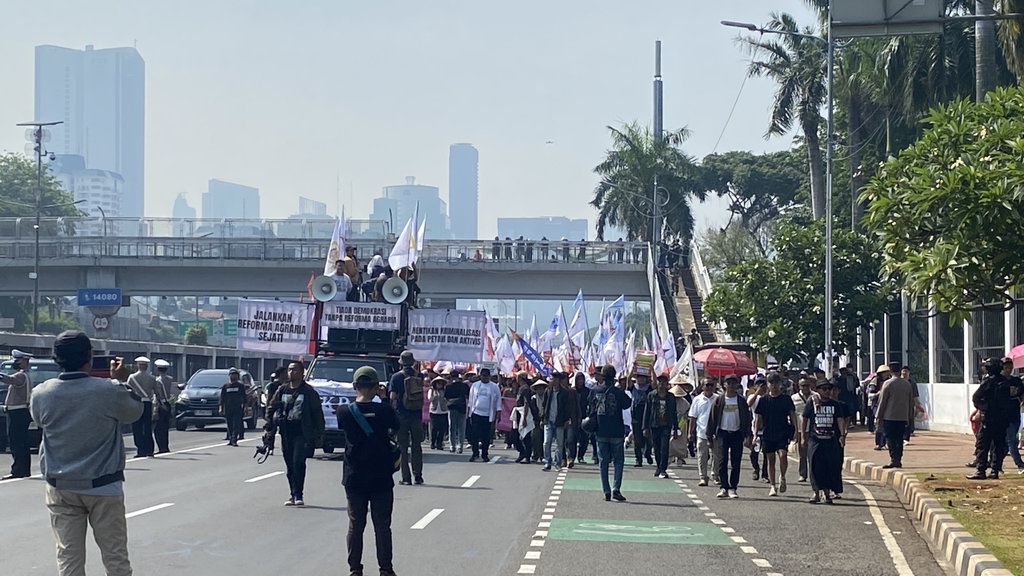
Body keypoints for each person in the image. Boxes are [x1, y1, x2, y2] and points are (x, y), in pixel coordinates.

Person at [31, 330, 143, 576]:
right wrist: (124, 381)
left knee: (69, 560)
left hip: (61, 487)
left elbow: (39, 421)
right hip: (104, 487)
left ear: (56, 359)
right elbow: (135, 412)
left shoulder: (41, 393)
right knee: (115, 559)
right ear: (89, 357)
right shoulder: (108, 390)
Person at [336, 366, 400, 576]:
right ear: (376, 387)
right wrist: (382, 398)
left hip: (354, 476)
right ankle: (386, 569)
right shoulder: (384, 410)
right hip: (381, 476)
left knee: (356, 524)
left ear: (355, 386)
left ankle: (355, 569)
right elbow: (395, 424)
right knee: (382, 525)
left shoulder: (344, 412)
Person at [266, 361, 325, 505]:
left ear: (302, 372)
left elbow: (317, 413)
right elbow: (270, 408)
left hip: (302, 432)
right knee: (290, 466)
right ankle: (292, 494)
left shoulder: (309, 392)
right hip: (286, 432)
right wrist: (269, 426)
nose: (292, 373)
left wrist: (319, 435)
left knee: (298, 462)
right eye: (290, 370)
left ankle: (299, 494)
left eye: (295, 370)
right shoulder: (282, 390)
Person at [967, 357, 1019, 480]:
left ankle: (981, 470)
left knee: (983, 445)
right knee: (998, 445)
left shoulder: (989, 382)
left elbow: (976, 397)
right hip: (1001, 419)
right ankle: (994, 470)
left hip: (990, 419)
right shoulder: (1006, 383)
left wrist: (985, 408)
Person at [587, 364, 631, 501]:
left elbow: (590, 407)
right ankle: (616, 488)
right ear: (614, 377)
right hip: (617, 430)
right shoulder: (618, 392)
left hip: (600, 430)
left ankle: (606, 489)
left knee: (603, 462)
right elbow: (627, 404)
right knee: (618, 461)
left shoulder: (595, 390)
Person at [802, 380, 848, 504]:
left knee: (829, 467)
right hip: (815, 440)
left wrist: (843, 435)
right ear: (818, 390)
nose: (827, 391)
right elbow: (805, 419)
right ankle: (816, 493)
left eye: (829, 389)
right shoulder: (811, 403)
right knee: (815, 466)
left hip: (831, 441)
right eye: (824, 389)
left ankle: (827, 494)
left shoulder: (835, 405)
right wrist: (803, 436)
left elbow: (840, 420)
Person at [754, 372, 798, 496]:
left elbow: (792, 415)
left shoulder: (786, 399)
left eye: (776, 383)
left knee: (783, 455)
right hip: (768, 432)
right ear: (768, 385)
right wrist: (755, 434)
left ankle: (782, 476)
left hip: (783, 431)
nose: (774, 385)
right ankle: (773, 485)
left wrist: (796, 431)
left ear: (780, 384)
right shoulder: (763, 400)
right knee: (770, 459)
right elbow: (758, 417)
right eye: (771, 383)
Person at [707, 375, 751, 498]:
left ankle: (733, 487)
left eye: (734, 383)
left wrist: (748, 435)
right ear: (724, 385)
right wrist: (709, 437)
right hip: (722, 433)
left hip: (737, 434)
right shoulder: (719, 400)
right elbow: (712, 419)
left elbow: (747, 419)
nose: (731, 386)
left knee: (736, 462)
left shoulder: (741, 401)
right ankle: (724, 487)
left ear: (737, 385)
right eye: (729, 383)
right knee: (722, 461)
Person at [389, 351, 425, 484]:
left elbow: (392, 396)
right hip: (416, 414)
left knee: (403, 447)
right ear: (413, 362)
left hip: (402, 415)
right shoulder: (419, 375)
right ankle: (418, 475)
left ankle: (406, 478)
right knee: (417, 446)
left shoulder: (396, 377)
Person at [874, 363, 915, 469]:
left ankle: (893, 459)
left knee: (890, 438)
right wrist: (910, 416)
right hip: (902, 417)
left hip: (889, 416)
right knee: (899, 439)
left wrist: (879, 416)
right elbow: (911, 402)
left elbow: (882, 401)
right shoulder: (907, 384)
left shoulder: (888, 383)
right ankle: (898, 459)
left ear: (890, 372)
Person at [1, 349, 34, 479]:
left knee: (16, 442)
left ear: (24, 361)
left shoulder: (21, 376)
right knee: (22, 442)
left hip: (17, 412)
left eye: (17, 360)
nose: (15, 363)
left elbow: (10, 380)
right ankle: (24, 470)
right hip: (20, 411)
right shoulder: (25, 375)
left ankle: (18, 470)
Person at [643, 374, 679, 479]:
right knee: (656, 447)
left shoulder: (671, 397)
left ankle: (663, 469)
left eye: (664, 382)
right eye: (660, 382)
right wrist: (645, 427)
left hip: (666, 426)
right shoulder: (651, 395)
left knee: (664, 447)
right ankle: (658, 467)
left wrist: (676, 428)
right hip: (654, 425)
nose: (662, 384)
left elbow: (674, 413)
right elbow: (647, 411)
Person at [540, 371, 573, 471]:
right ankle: (547, 462)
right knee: (547, 442)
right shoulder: (548, 391)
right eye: (552, 379)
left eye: (555, 379)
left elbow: (567, 408)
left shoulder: (564, 393)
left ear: (559, 380)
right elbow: (544, 405)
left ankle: (557, 463)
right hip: (549, 420)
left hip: (560, 421)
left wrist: (567, 420)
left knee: (559, 443)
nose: (553, 381)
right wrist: (542, 418)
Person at [688, 378, 718, 486]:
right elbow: (693, 417)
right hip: (701, 432)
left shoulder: (718, 398)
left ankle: (715, 475)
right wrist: (690, 432)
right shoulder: (697, 399)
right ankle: (703, 477)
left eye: (711, 385)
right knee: (702, 456)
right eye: (707, 385)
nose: (709, 387)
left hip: (716, 432)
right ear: (702, 386)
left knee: (717, 455)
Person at [467, 367, 502, 462]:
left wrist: (498, 412)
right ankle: (475, 453)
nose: (485, 378)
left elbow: (498, 400)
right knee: (474, 435)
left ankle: (484, 454)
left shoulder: (494, 387)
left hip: (488, 414)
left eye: (486, 376)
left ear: (489, 377)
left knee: (485, 436)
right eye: (483, 376)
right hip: (476, 412)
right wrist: (469, 412)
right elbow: (471, 400)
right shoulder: (475, 385)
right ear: (480, 376)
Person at [127, 356, 157, 458]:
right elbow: (157, 393)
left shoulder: (132, 377)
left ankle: (140, 450)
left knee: (137, 427)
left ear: (138, 365)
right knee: (147, 427)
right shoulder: (152, 378)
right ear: (147, 366)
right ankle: (149, 450)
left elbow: (128, 391)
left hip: (136, 403)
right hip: (148, 403)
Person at [999, 359, 1024, 473]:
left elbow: (1021, 393)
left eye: (1010, 367)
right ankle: (1020, 465)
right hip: (1003, 414)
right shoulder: (998, 381)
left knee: (1009, 441)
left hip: (1014, 413)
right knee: (1011, 441)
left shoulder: (1016, 380)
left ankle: (996, 463)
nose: (1008, 370)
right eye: (1006, 368)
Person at [791, 375, 815, 482]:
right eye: (803, 385)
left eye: (807, 385)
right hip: (801, 430)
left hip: (814, 428)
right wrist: (795, 431)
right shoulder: (794, 398)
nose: (805, 388)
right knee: (802, 454)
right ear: (799, 386)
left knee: (813, 454)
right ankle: (803, 474)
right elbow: (792, 415)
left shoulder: (815, 396)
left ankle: (813, 475)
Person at [629, 373, 654, 468]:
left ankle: (648, 453)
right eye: (639, 377)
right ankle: (638, 459)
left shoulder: (649, 388)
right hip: (636, 415)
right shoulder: (634, 388)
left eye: (643, 377)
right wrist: (633, 369)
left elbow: (655, 384)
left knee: (648, 438)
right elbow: (628, 381)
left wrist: (652, 371)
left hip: (647, 415)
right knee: (637, 439)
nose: (641, 380)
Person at [443, 368, 470, 454]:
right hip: (462, 407)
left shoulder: (448, 386)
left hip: (452, 407)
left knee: (452, 427)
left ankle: (452, 446)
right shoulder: (464, 386)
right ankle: (460, 446)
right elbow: (467, 396)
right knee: (461, 428)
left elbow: (446, 397)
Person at [219, 367, 247, 446]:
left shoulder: (240, 386)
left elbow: (244, 397)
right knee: (230, 425)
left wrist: (245, 407)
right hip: (228, 408)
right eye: (232, 375)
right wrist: (221, 408)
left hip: (237, 408)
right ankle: (231, 439)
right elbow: (222, 398)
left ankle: (234, 439)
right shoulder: (225, 386)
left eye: (235, 375)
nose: (234, 376)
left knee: (236, 424)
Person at [152, 359, 174, 454]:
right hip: (168, 403)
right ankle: (165, 446)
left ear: (158, 369)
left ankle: (162, 447)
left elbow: (158, 394)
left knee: (158, 428)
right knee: (165, 427)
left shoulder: (157, 381)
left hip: (161, 404)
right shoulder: (170, 379)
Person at [427, 376, 449, 450]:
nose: (439, 385)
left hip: (443, 411)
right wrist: (434, 396)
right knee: (434, 428)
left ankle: (439, 443)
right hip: (434, 411)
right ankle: (433, 442)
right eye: (438, 383)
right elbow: (429, 399)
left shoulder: (445, 391)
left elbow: (447, 399)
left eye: (441, 383)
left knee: (442, 429)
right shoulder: (432, 390)